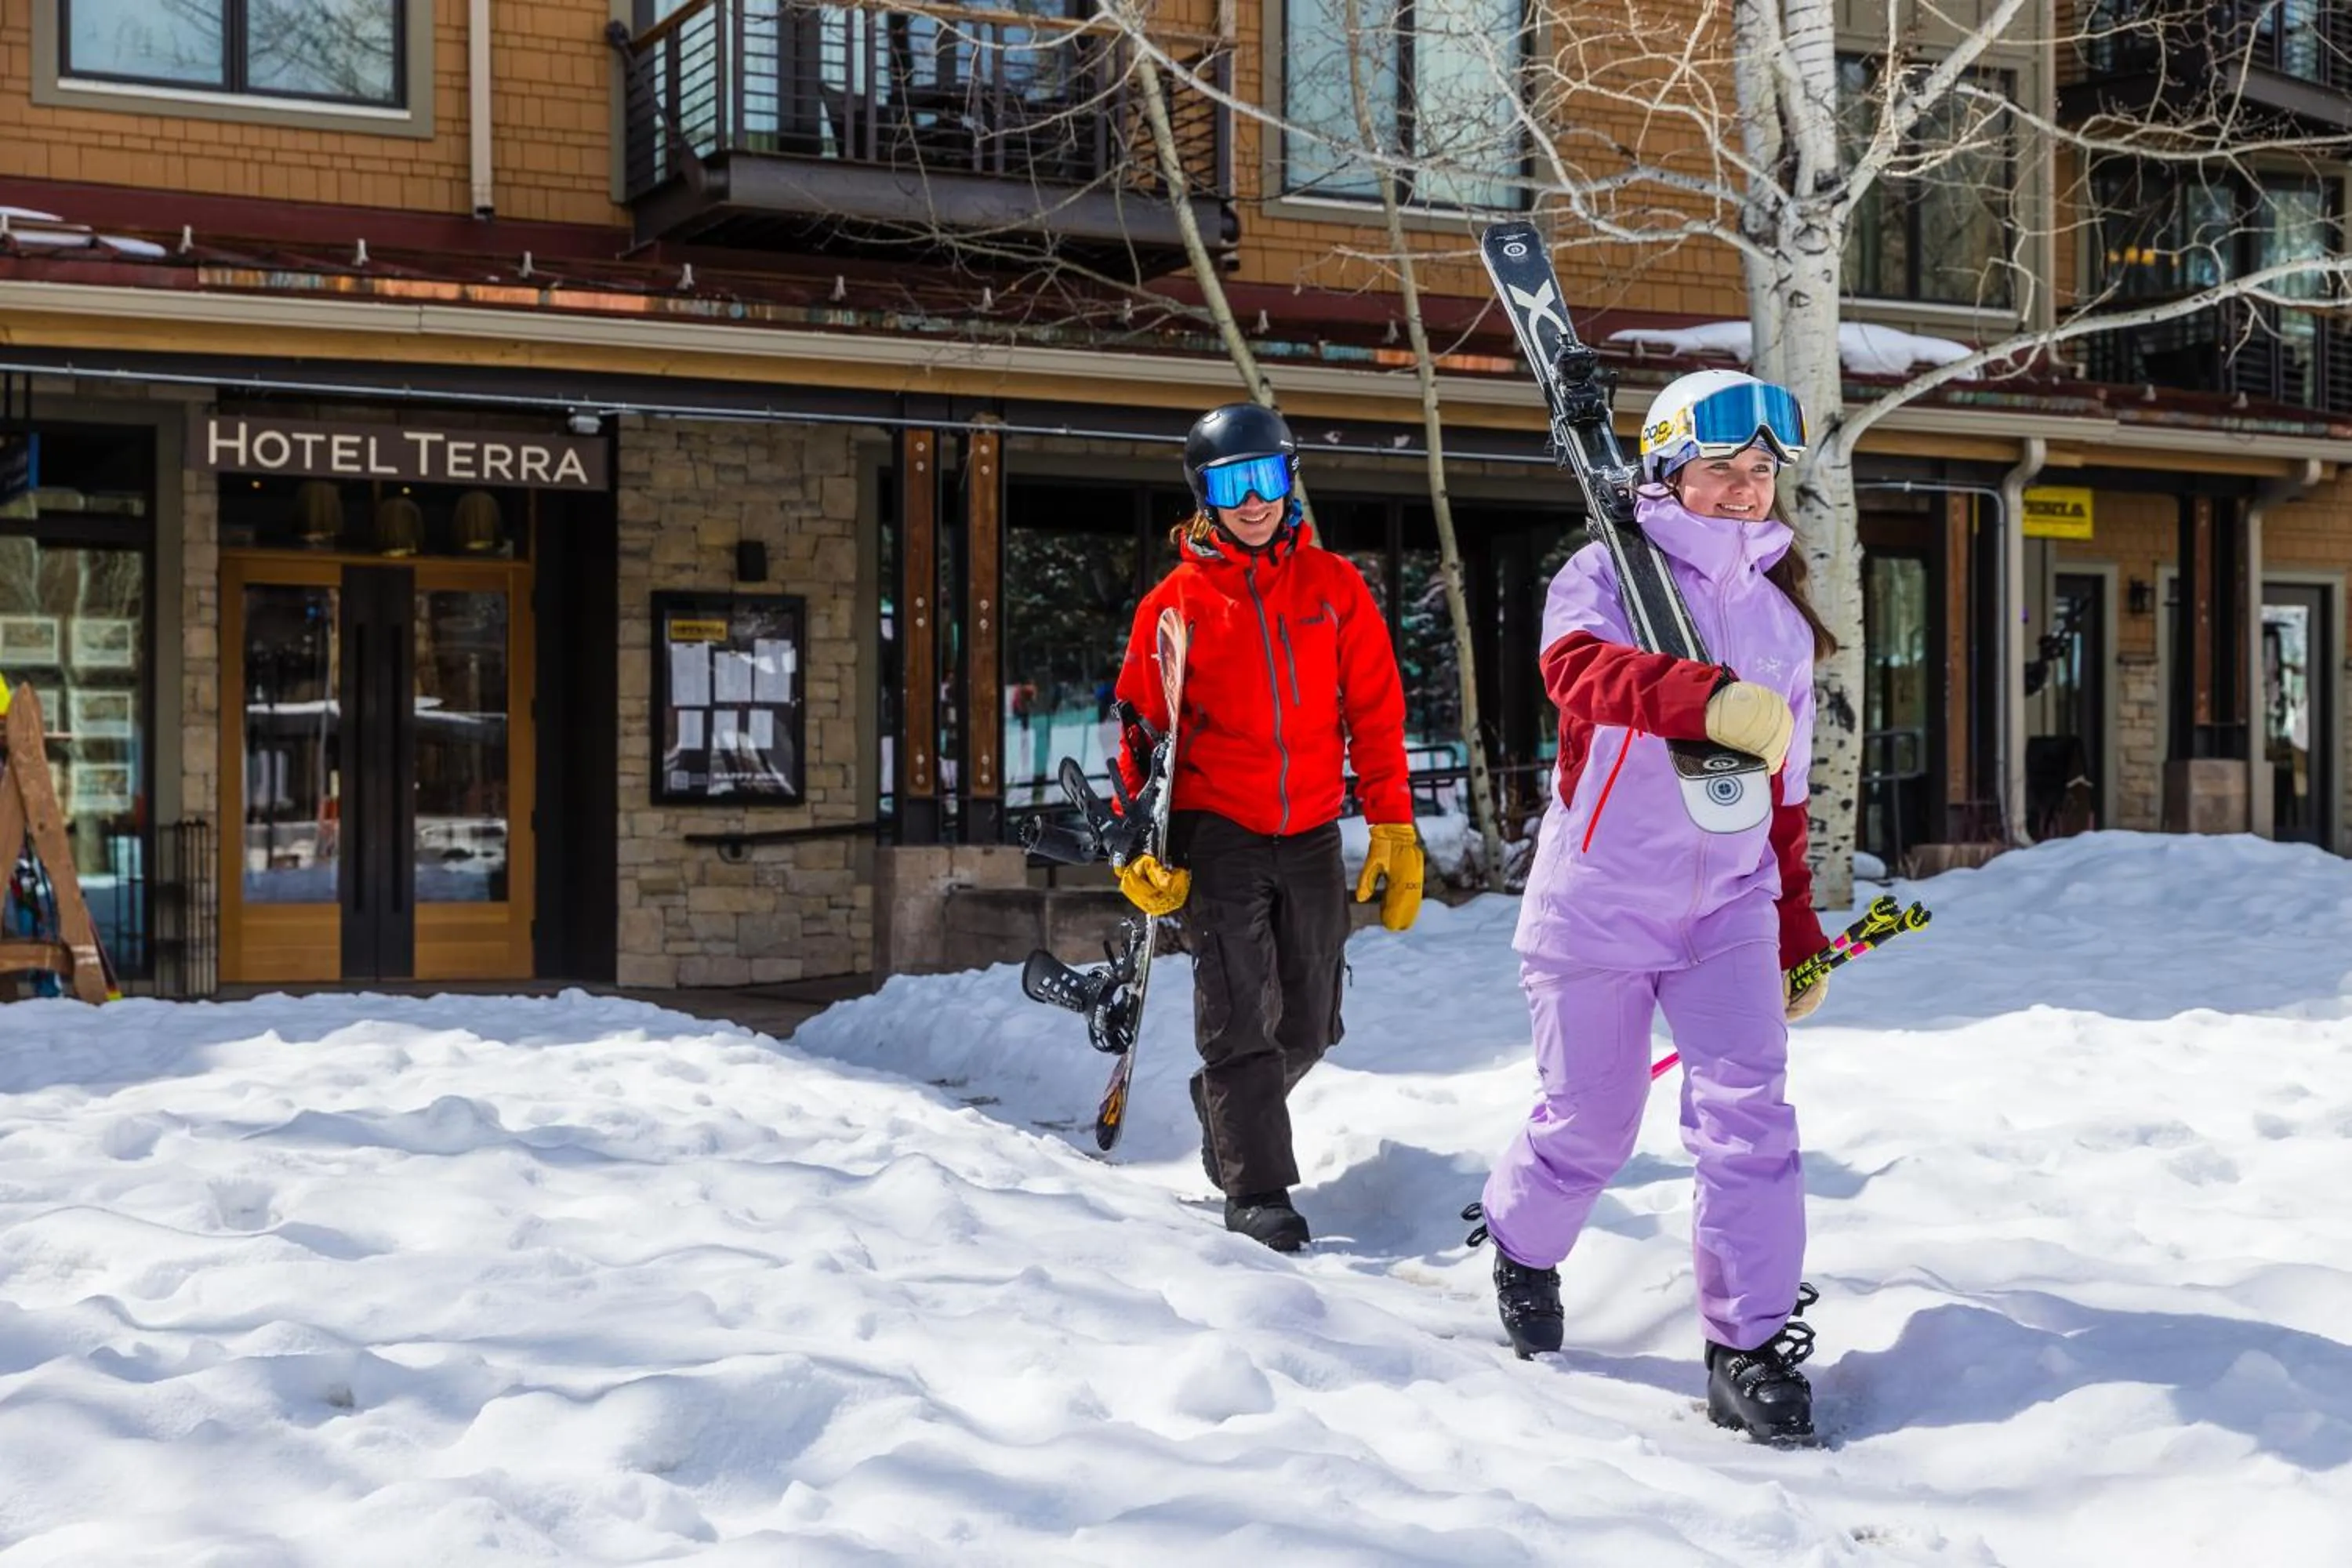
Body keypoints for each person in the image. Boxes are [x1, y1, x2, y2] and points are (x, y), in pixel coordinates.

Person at [1475, 369, 1841, 1444]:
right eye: (1721, 470)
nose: (1742, 491)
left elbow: (1784, 795)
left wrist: (1797, 929)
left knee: (1750, 1124)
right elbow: (1577, 671)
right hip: (1595, 906)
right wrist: (1704, 699)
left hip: (1727, 908)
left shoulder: (1782, 624)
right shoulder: (1604, 573)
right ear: (1671, 470)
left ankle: (1749, 1344)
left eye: (1761, 472)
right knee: (1592, 1123)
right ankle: (1520, 1240)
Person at [1111, 401, 1423, 1253]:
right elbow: (1141, 730)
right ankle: (1257, 1186)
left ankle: (1226, 1106)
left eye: (1270, 478)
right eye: (1232, 484)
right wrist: (1139, 840)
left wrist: (1393, 822)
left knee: (1312, 1018)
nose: (1255, 501)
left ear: (1291, 481)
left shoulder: (1334, 588)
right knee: (1241, 1009)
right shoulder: (1174, 604)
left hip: (1315, 827)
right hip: (1221, 832)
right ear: (1205, 496)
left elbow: (1375, 708)